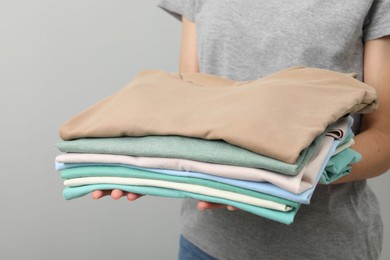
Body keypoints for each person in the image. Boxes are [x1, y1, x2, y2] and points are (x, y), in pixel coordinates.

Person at [93, 1, 390, 259]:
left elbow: (384, 138)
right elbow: (194, 104)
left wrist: (294, 172)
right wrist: (149, 167)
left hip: (324, 248)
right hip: (206, 242)